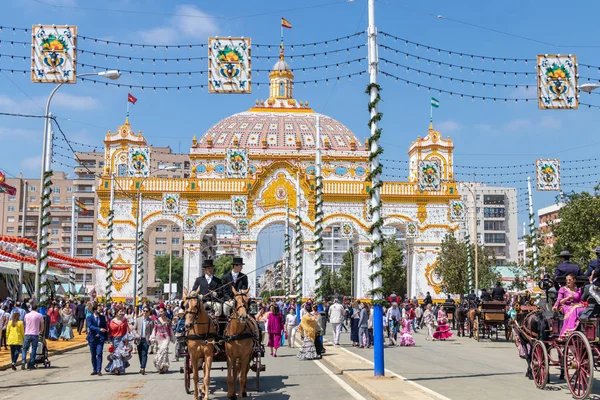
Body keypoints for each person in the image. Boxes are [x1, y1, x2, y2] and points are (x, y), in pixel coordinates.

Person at [553, 273, 585, 337]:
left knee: (583, 309)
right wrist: (568, 298)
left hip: (576, 306)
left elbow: (580, 301)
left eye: (569, 280)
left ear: (574, 280)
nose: (567, 281)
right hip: (565, 307)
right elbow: (560, 301)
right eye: (566, 280)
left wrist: (580, 304)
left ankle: (583, 328)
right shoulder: (563, 289)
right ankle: (568, 331)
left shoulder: (578, 290)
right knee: (574, 309)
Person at [151, 304, 173, 374]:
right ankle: (162, 366)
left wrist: (173, 337)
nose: (161, 313)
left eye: (162, 311)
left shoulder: (168, 320)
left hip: (166, 337)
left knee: (164, 349)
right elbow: (155, 329)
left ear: (165, 312)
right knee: (162, 352)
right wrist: (153, 337)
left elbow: (170, 329)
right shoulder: (157, 320)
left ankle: (162, 365)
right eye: (160, 312)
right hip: (159, 337)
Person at [86, 303, 107, 376]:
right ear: (95, 309)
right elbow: (90, 326)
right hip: (92, 338)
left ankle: (99, 370)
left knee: (99, 353)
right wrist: (99, 329)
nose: (100, 309)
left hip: (100, 339)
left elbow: (105, 327)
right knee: (93, 355)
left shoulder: (102, 317)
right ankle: (94, 369)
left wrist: (106, 337)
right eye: (98, 308)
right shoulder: (89, 317)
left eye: (100, 308)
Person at [133, 306, 154, 375]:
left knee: (144, 353)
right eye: (144, 311)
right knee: (140, 354)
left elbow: (152, 331)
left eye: (147, 311)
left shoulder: (150, 321)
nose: (145, 312)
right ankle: (141, 365)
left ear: (149, 313)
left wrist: (151, 338)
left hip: (146, 339)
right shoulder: (138, 320)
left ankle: (143, 368)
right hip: (139, 339)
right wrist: (136, 334)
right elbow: (134, 329)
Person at [22, 303, 44, 370]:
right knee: (34, 349)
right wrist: (41, 331)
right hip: (35, 334)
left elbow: (24, 324)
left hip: (27, 333)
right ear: (37, 308)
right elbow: (42, 324)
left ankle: (23, 360)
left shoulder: (26, 315)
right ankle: (31, 363)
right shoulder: (39, 315)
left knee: (25, 348)